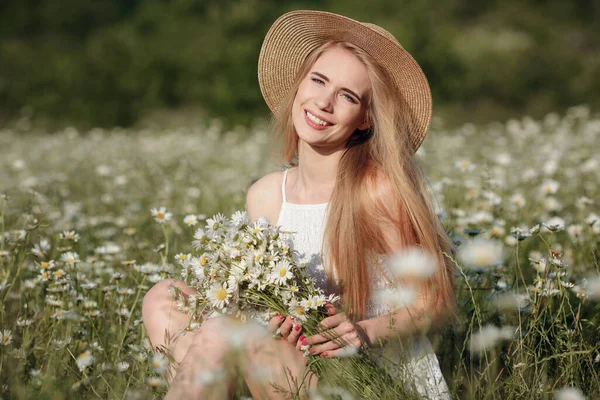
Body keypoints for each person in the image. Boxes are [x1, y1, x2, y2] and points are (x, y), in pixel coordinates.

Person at [142, 10, 455, 399]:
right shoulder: (267, 195)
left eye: (347, 96)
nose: (323, 102)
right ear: (300, 85)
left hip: (373, 378)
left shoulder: (377, 190)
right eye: (318, 80)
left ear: (365, 119)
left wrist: (362, 332)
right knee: (165, 296)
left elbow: (435, 302)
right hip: (290, 364)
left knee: (238, 335)